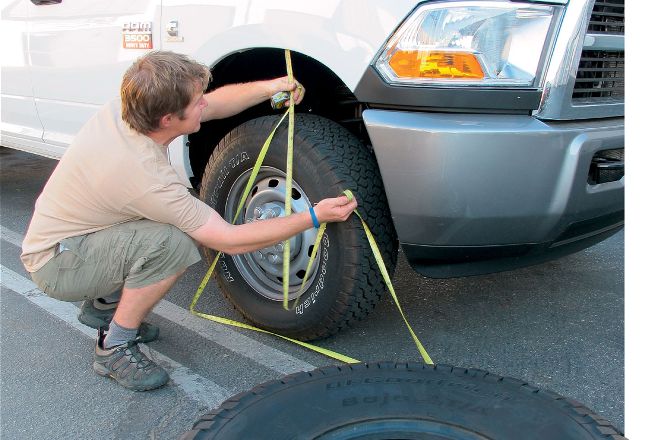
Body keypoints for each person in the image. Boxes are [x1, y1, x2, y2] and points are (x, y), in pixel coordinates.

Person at [20, 51, 357, 391]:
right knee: (172, 245)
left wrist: (271, 86)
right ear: (168, 119)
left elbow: (212, 105)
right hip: (57, 264)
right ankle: (113, 345)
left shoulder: (130, 109)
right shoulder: (146, 177)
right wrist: (313, 216)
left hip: (80, 235)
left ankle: (103, 307)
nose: (203, 106)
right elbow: (228, 239)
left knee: (165, 229)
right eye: (196, 103)